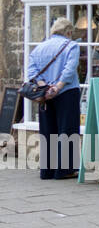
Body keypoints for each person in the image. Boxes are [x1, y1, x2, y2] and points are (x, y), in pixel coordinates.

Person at [26, 17, 81, 179]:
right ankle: (65, 170)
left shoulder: (39, 48)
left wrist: (45, 86)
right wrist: (57, 87)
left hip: (44, 94)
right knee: (67, 129)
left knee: (47, 129)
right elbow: (69, 70)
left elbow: (32, 72)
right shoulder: (72, 46)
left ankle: (47, 171)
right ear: (68, 32)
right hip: (67, 92)